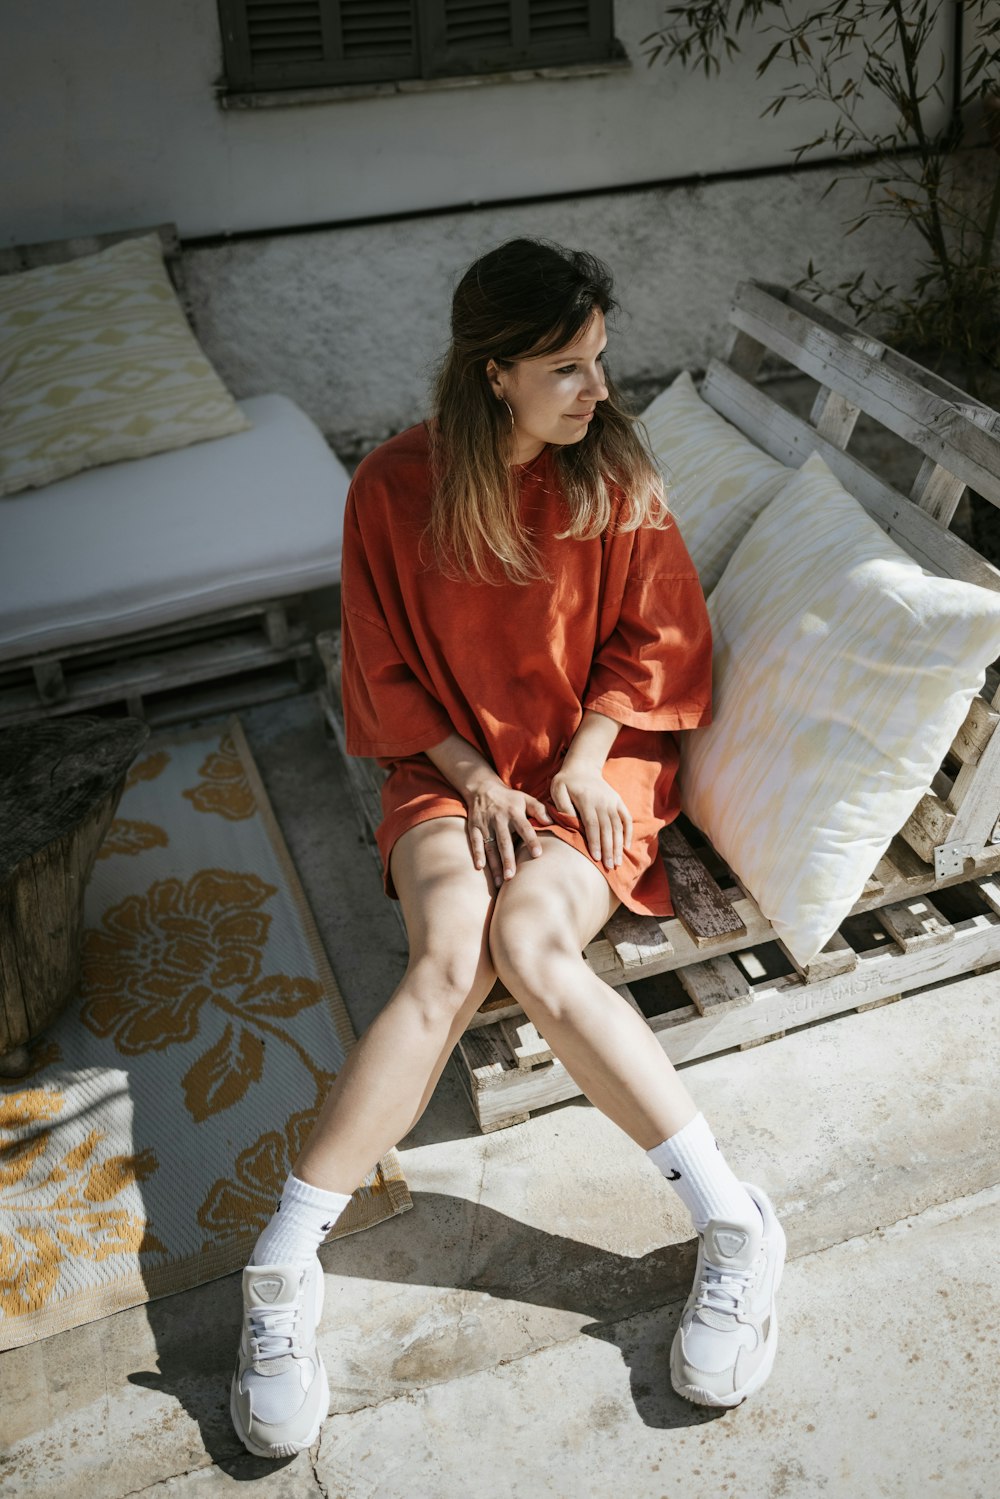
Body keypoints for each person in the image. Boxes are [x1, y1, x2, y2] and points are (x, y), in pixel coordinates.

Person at [230, 238, 785, 1459]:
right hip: (448, 763)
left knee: (530, 943)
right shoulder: (389, 486)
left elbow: (655, 639)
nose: (597, 389)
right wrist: (476, 778)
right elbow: (377, 667)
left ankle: (734, 1223)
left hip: (598, 758)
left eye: (598, 360)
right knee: (444, 955)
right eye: (567, 369)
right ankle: (281, 1271)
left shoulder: (615, 471)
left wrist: (580, 763)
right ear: (493, 373)